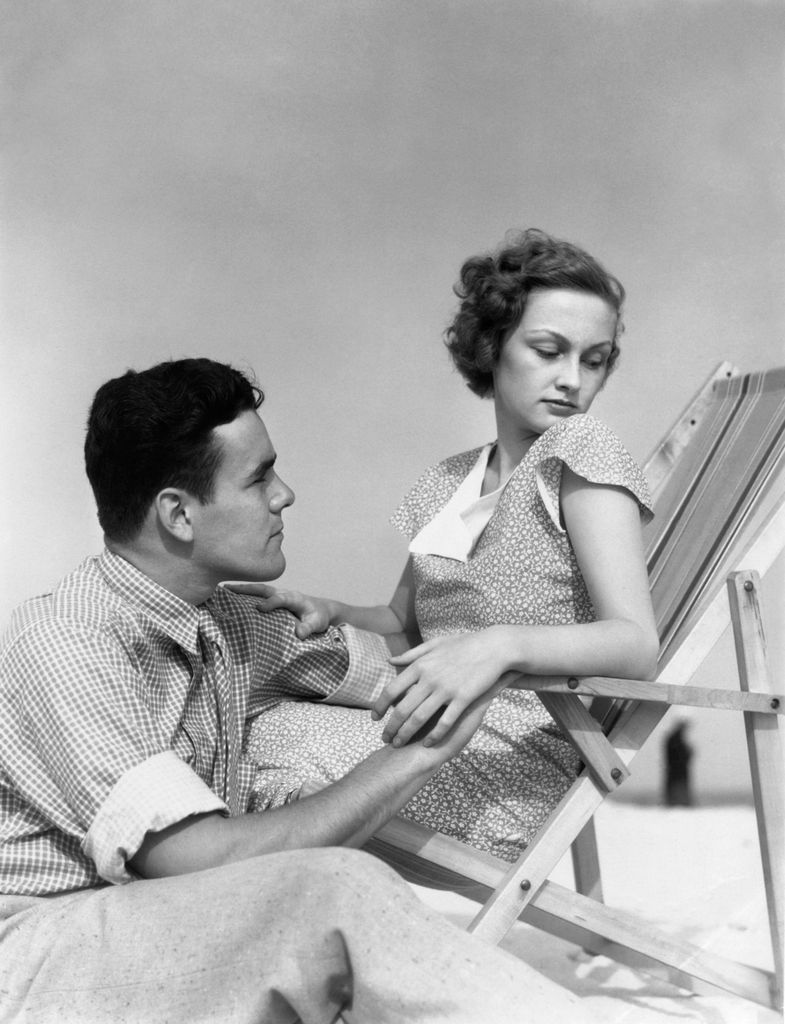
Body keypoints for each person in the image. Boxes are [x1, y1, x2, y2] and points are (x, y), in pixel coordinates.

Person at [0, 357, 594, 1023]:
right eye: (258, 478)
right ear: (179, 514)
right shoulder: (68, 640)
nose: (284, 495)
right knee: (330, 887)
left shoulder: (226, 622)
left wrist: (498, 647)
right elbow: (196, 861)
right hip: (40, 955)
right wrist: (414, 755)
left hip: (151, 931)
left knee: (322, 880)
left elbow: (396, 667)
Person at [236, 228, 660, 861]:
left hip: (508, 766)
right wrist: (332, 611)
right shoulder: (450, 479)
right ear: (492, 345)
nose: (573, 380)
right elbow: (403, 625)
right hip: (427, 719)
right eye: (549, 351)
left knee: (247, 742)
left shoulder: (580, 451)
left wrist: (497, 646)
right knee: (238, 683)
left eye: (594, 360)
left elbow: (636, 643)